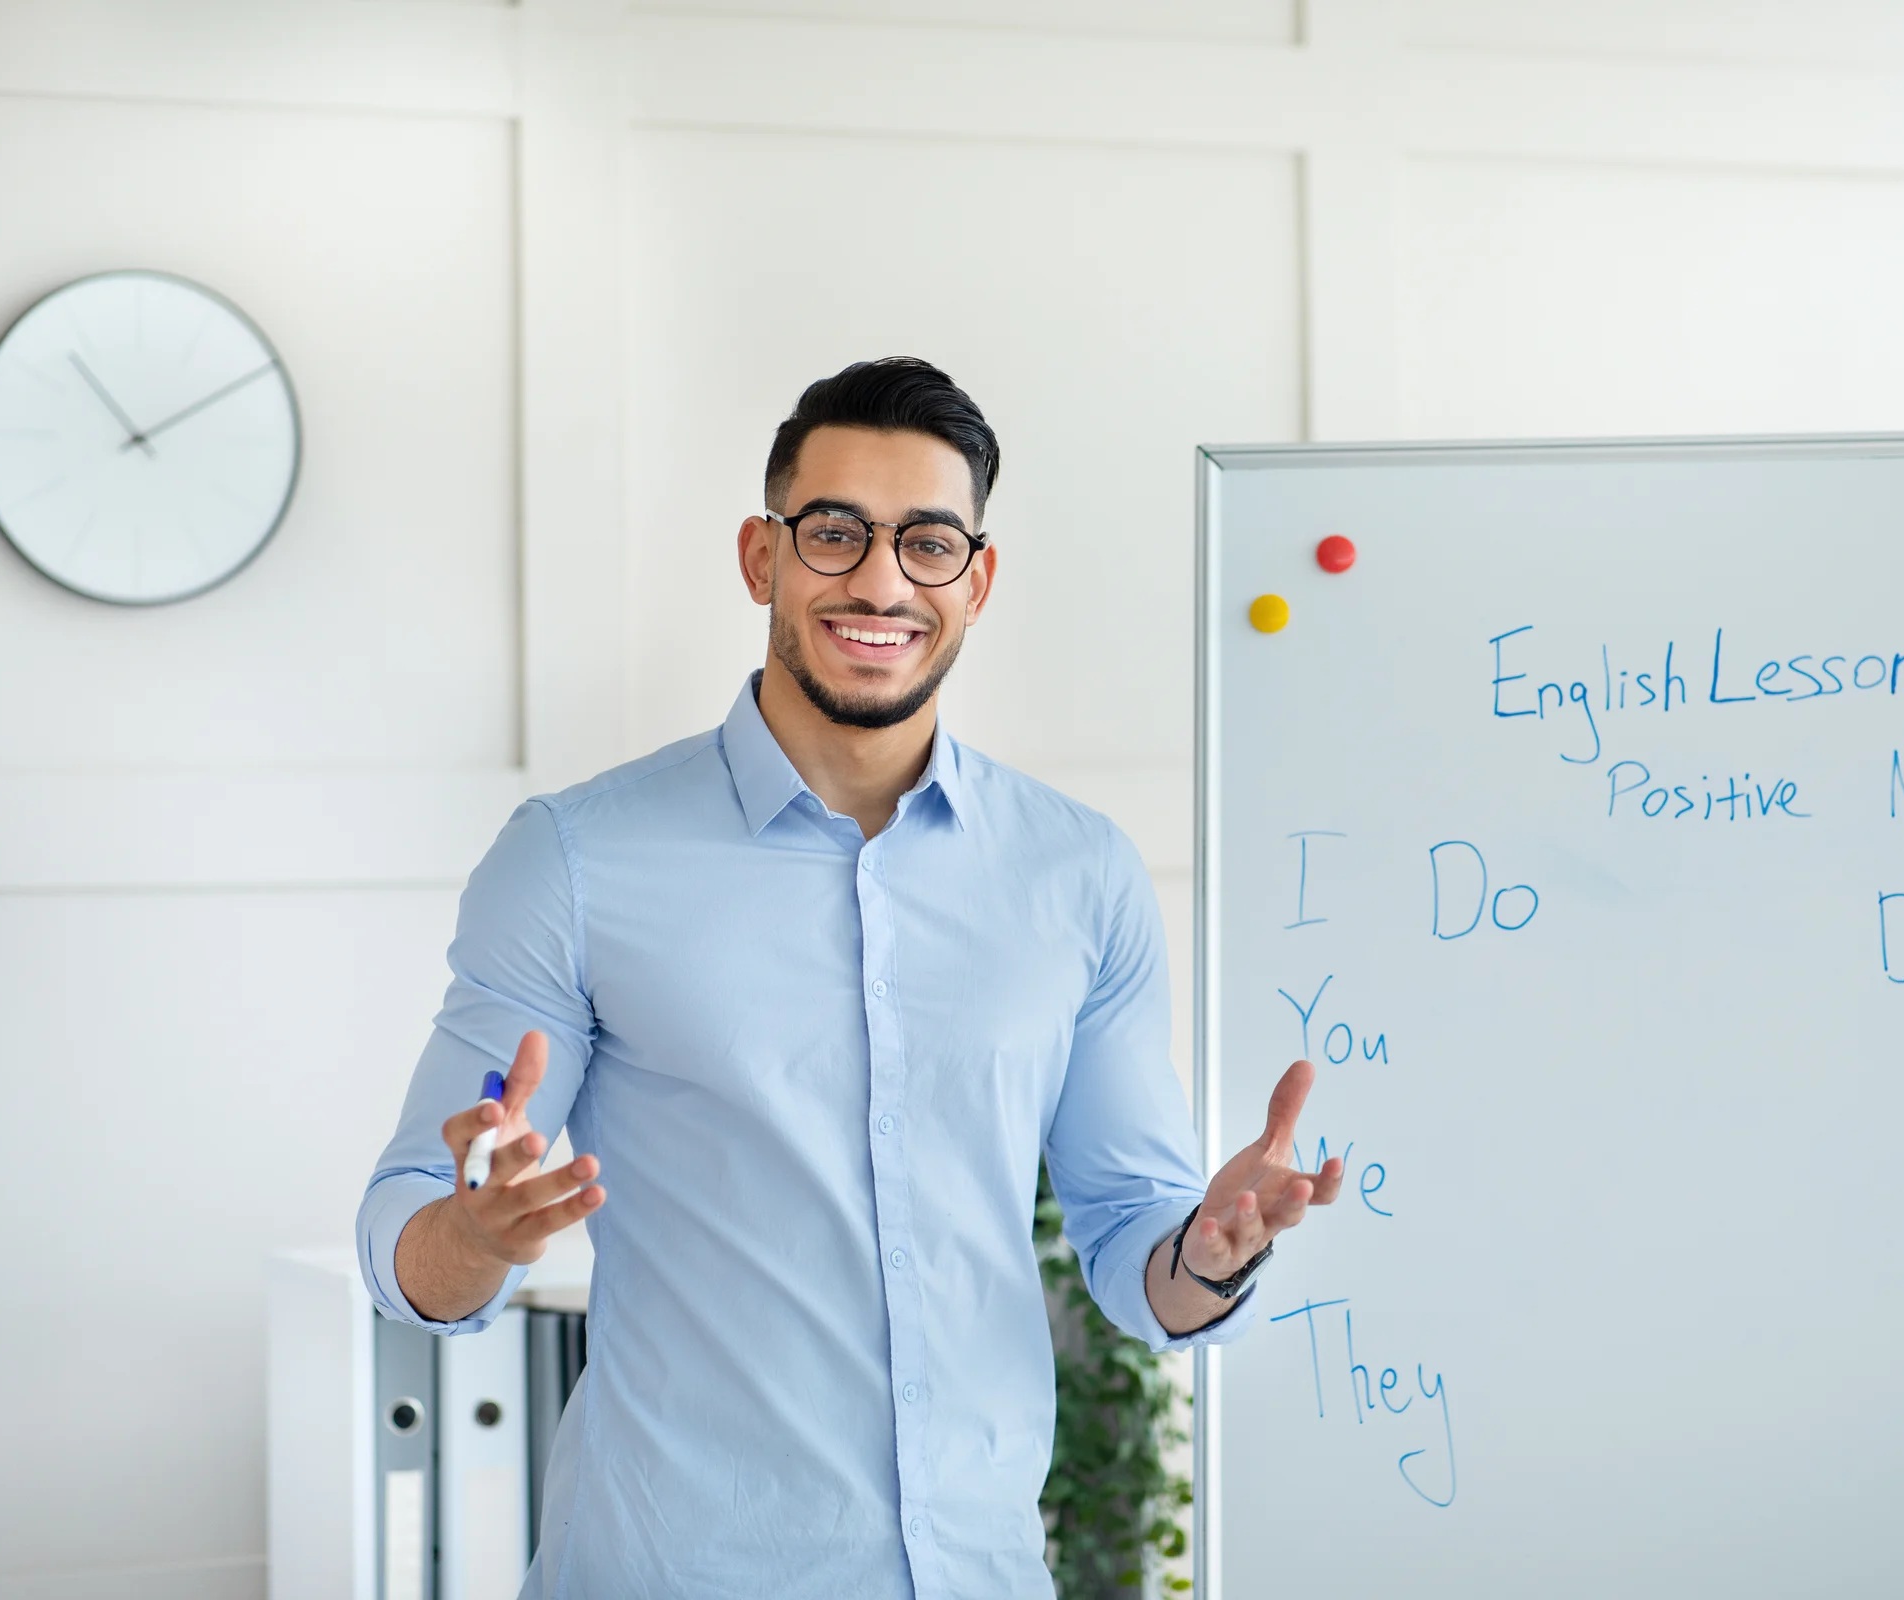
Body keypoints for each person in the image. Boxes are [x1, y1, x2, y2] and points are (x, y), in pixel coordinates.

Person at [358, 357, 1344, 1597]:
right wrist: (477, 1229)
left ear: (977, 581)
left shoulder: (1078, 873)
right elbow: (405, 1229)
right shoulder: (574, 860)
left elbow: (1132, 1246)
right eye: (835, 534)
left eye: (928, 542)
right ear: (760, 558)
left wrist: (1210, 1249)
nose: (880, 580)